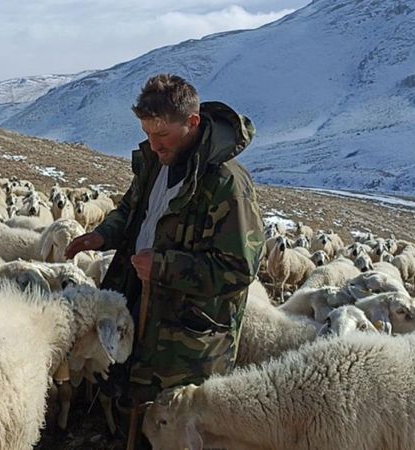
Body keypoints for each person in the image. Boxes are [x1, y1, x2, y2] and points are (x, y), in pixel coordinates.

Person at [65, 74, 265, 444]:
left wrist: (164, 267)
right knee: (136, 409)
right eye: (147, 133)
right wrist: (103, 234)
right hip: (143, 307)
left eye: (162, 134)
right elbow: (133, 209)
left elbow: (239, 268)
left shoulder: (225, 184)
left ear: (193, 122)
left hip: (187, 338)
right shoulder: (156, 163)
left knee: (177, 426)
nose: (154, 144)